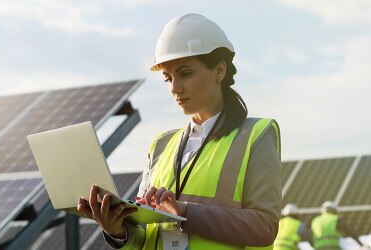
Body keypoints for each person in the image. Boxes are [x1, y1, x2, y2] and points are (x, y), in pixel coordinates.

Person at [77, 13, 282, 249]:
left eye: (185, 73)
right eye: (168, 78)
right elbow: (143, 240)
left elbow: (264, 228)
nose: (175, 87)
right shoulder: (161, 145)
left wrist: (185, 212)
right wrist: (116, 230)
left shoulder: (256, 134)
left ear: (220, 70)